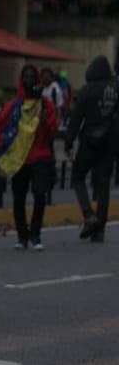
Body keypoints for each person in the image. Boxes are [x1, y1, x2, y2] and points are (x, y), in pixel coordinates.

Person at [0, 64, 60, 250]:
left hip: (40, 157)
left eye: (32, 77)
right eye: (26, 77)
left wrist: (45, 122)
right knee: (18, 198)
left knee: (39, 196)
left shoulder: (47, 105)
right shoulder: (13, 106)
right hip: (19, 159)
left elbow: (53, 133)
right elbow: (0, 127)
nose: (29, 81)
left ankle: (35, 235)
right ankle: (22, 236)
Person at [64, 55, 118, 242]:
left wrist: (68, 141)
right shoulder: (115, 89)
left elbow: (76, 119)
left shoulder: (88, 90)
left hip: (89, 141)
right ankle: (100, 229)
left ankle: (89, 214)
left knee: (78, 177)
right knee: (104, 183)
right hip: (110, 141)